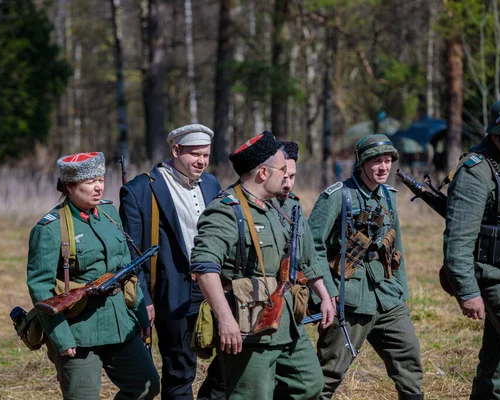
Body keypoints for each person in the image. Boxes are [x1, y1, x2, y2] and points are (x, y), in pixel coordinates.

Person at [190, 131, 335, 399]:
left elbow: (304, 257)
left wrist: (323, 295)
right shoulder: (226, 211)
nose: (287, 177)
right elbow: (204, 268)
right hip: (249, 327)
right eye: (282, 170)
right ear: (263, 174)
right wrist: (225, 319)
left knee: (310, 384)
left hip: (286, 322)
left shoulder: (276, 208)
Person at [27, 152, 159, 400]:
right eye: (90, 182)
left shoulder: (109, 214)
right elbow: (40, 287)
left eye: (100, 179)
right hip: (79, 331)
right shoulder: (50, 228)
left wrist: (141, 316)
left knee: (146, 387)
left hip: (121, 324)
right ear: (69, 186)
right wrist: (61, 338)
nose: (98, 187)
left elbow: (127, 270)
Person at [309, 134, 424, 400]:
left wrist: (400, 291)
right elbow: (311, 246)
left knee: (409, 361)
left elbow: (397, 249)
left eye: (387, 161)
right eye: (376, 162)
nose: (383, 167)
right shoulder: (337, 196)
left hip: (387, 296)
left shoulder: (389, 196)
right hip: (348, 297)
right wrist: (326, 292)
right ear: (361, 163)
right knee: (328, 373)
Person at [119, 124, 223, 400]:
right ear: (176, 150)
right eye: (195, 154)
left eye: (206, 155)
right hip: (172, 292)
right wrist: (144, 299)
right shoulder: (140, 190)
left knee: (230, 359)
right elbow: (133, 253)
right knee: (180, 369)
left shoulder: (212, 184)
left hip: (215, 287)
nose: (201, 161)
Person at [443, 98, 500, 399]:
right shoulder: (476, 172)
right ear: (497, 133)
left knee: (495, 368)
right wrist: (467, 291)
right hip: (494, 279)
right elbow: (457, 241)